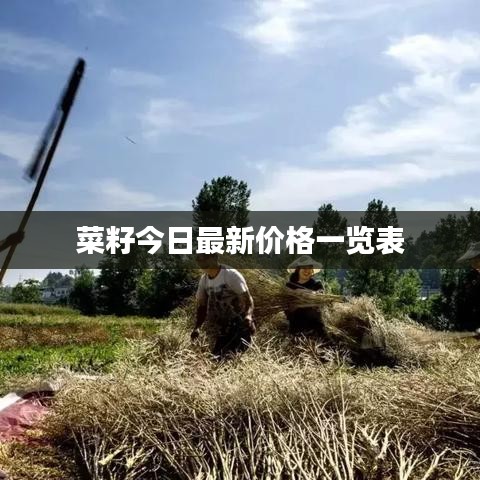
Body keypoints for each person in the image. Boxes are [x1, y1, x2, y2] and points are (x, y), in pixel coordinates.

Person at [191, 253, 255, 358]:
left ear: (215, 257)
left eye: (206, 258)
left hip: (239, 325)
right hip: (223, 327)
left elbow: (248, 300)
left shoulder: (231, 275)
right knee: (216, 358)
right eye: (199, 259)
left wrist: (248, 316)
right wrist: (197, 327)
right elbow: (202, 306)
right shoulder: (204, 280)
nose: (203, 262)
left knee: (232, 359)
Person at [285, 255, 328, 338]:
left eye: (309, 268)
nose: (307, 270)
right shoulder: (289, 285)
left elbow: (320, 301)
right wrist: (298, 293)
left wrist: (306, 296)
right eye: (304, 268)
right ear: (298, 269)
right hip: (296, 327)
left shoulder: (317, 284)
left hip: (316, 327)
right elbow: (288, 309)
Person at [455, 242, 480, 332]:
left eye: (476, 259)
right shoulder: (469, 277)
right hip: (471, 321)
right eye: (471, 260)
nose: (473, 262)